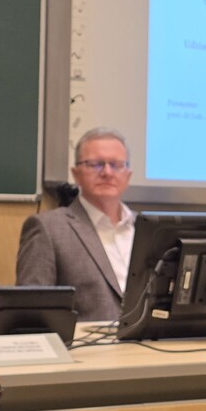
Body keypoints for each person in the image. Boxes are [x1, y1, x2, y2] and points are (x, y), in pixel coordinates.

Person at [16, 127, 136, 321]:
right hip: (82, 341)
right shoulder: (47, 228)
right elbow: (31, 313)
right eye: (96, 164)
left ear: (128, 175)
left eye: (116, 165)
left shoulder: (148, 230)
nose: (107, 172)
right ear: (76, 174)